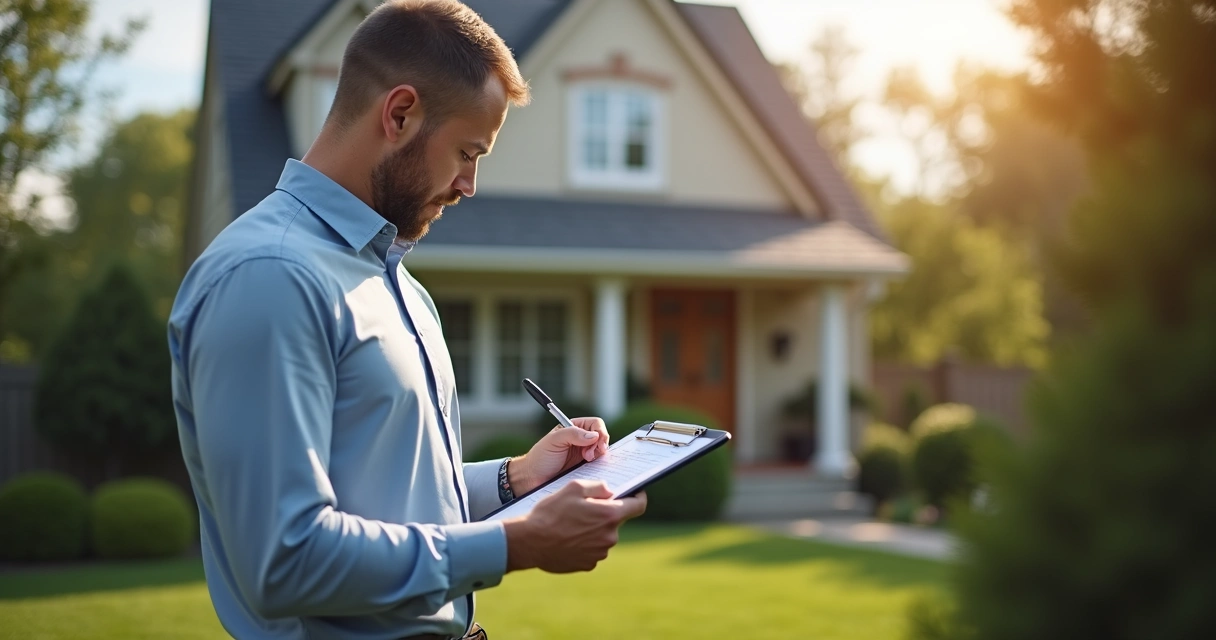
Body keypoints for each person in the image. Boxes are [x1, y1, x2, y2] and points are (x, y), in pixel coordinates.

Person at [167, 2, 647, 638]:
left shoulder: (399, 285)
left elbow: (402, 495)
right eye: (467, 152)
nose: (469, 184)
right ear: (399, 114)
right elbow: (284, 560)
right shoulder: (269, 277)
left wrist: (516, 479)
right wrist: (515, 544)